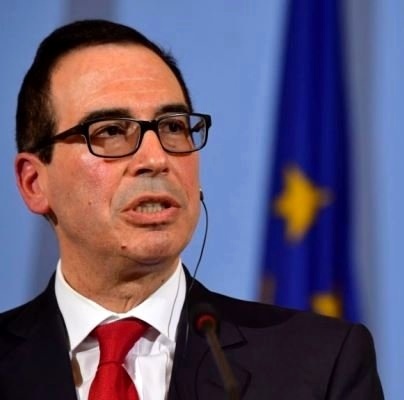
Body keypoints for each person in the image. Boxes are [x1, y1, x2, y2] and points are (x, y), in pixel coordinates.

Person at [0, 19, 383, 400]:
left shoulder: (321, 364)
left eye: (173, 127)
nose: (156, 159)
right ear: (35, 183)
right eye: (111, 131)